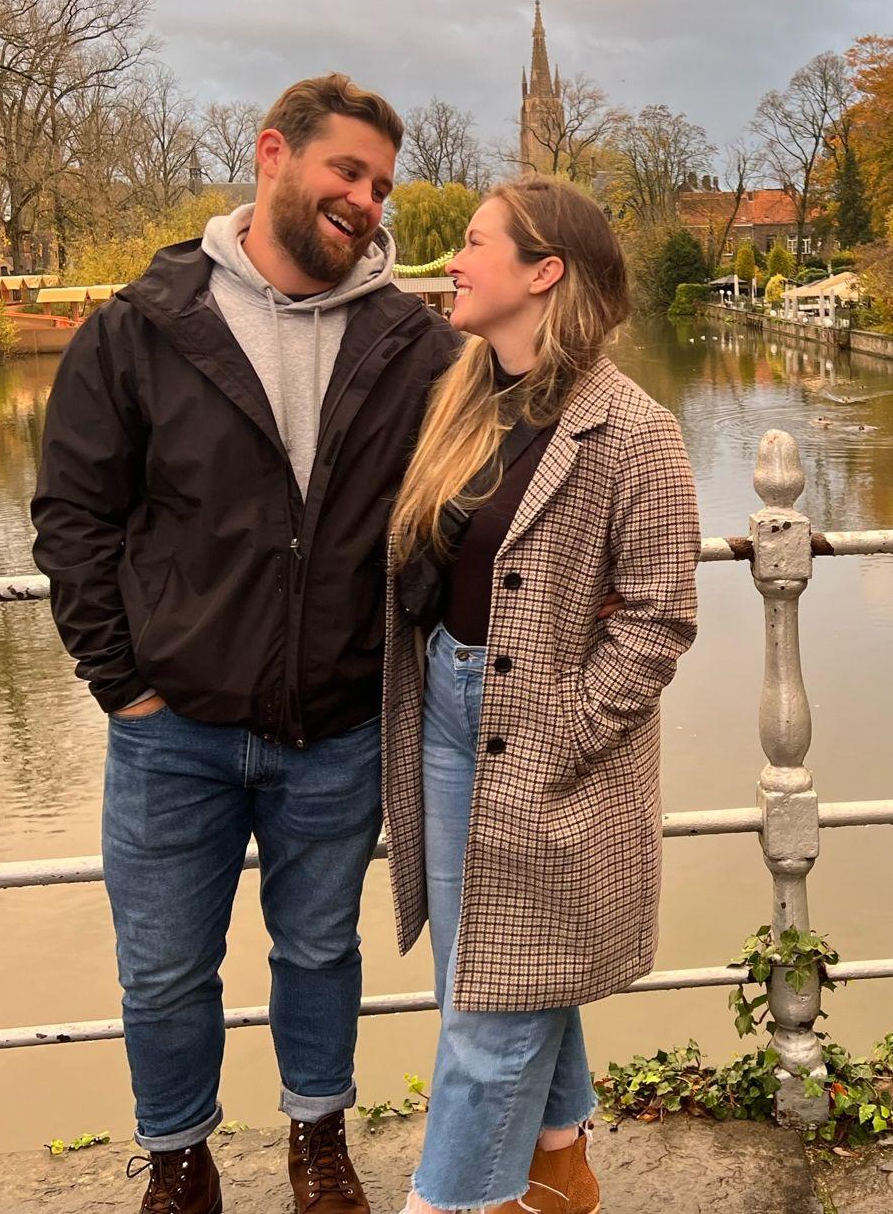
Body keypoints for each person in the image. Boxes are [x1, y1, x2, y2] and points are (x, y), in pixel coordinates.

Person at [32, 75, 461, 1214]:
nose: (366, 201)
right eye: (346, 172)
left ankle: (317, 1141)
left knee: (320, 955)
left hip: (337, 726)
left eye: (380, 184)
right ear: (274, 153)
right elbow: (74, 515)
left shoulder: (414, 346)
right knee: (166, 969)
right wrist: (122, 685)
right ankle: (179, 1161)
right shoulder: (143, 325)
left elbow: (455, 506)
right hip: (172, 731)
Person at [383, 176, 701, 1214]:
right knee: (478, 976)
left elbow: (660, 615)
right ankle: (559, 1161)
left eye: (473, 245)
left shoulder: (635, 430)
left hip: (550, 737)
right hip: (445, 711)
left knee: (489, 1013)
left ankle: (455, 1200)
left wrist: (565, 728)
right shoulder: (464, 397)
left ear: (543, 272)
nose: (452, 264)